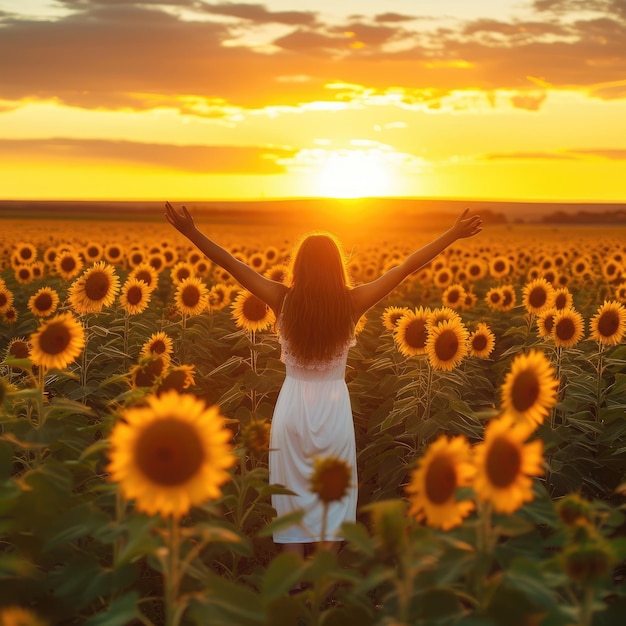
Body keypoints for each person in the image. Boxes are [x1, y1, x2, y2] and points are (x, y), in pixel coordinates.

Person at [164, 202, 482, 558]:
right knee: (333, 497)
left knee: (292, 498)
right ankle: (323, 586)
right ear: (337, 267)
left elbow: (232, 265)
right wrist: (452, 234)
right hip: (333, 411)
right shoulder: (351, 303)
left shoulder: (281, 299)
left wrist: (191, 232)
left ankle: (294, 589)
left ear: (298, 266)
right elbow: (405, 267)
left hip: (292, 409)